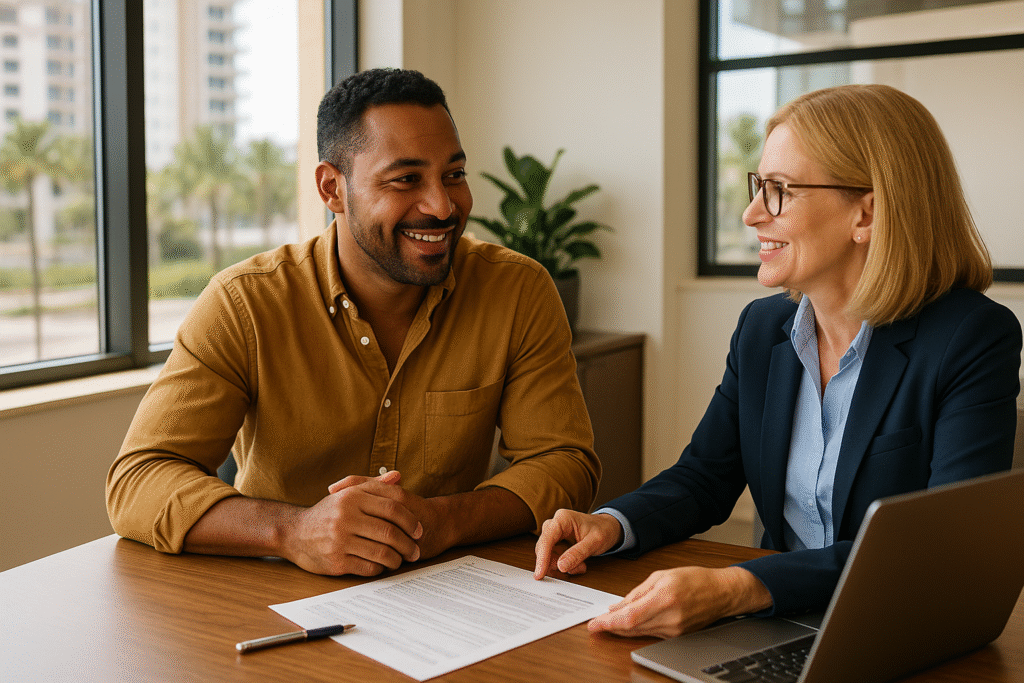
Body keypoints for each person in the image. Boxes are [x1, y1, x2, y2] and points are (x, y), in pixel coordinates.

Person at [534, 83, 1021, 638]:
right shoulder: (762, 330)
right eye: (758, 186)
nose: (749, 214)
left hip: (895, 631)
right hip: (776, 626)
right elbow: (703, 479)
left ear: (866, 213)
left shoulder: (971, 338)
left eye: (780, 190)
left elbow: (942, 550)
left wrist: (741, 585)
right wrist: (611, 525)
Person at [107, 68, 600, 577]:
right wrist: (294, 532)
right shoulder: (245, 304)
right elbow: (139, 480)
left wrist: (441, 520)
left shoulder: (517, 291)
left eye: (453, 174)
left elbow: (564, 462)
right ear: (332, 189)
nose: (443, 205)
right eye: (406, 179)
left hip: (447, 594)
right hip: (273, 597)